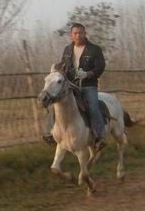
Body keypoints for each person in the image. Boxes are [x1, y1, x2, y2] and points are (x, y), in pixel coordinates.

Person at [43, 22, 107, 151]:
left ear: (85, 33)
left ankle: (99, 137)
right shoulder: (67, 49)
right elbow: (64, 66)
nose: (78, 35)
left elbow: (100, 67)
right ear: (71, 35)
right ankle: (50, 133)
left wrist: (88, 74)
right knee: (54, 104)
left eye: (81, 33)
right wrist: (56, 69)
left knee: (93, 107)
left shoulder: (94, 49)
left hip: (89, 85)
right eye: (75, 33)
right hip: (71, 85)